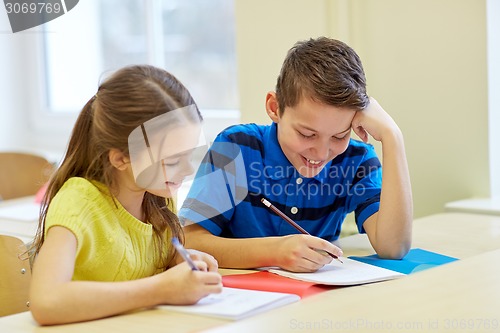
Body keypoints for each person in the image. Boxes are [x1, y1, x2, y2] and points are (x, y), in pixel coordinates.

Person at [179, 37, 413, 273]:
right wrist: (275, 252)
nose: (321, 153)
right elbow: (190, 241)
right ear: (274, 108)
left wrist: (392, 137)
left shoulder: (356, 160)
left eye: (339, 136)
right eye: (307, 134)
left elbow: (393, 248)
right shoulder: (235, 148)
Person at [28, 65, 222, 325]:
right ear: (121, 158)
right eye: (174, 160)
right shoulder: (78, 203)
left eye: (189, 155)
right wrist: (162, 288)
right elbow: (46, 302)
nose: (188, 170)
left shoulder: (157, 196)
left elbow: (145, 259)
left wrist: (181, 260)